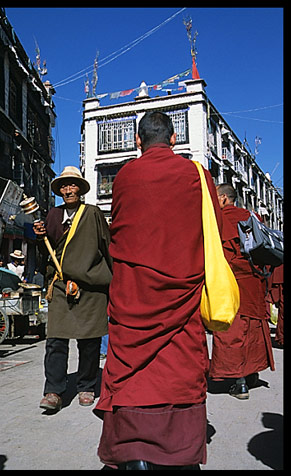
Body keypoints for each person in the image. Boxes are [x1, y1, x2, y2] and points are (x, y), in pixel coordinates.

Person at [94, 111, 222, 470]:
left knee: (133, 371)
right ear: (174, 139)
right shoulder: (196, 175)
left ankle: (134, 453)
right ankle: (179, 453)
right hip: (183, 289)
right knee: (179, 366)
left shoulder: (125, 176)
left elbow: (119, 228)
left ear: (137, 141)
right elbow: (212, 231)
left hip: (134, 292)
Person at [33, 166, 112, 411]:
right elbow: (46, 253)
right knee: (56, 339)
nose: (68, 190)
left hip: (90, 286)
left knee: (89, 341)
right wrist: (40, 237)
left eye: (72, 185)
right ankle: (54, 390)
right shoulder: (53, 216)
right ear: (60, 191)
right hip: (60, 284)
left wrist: (114, 281)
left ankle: (86, 384)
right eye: (64, 186)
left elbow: (106, 246)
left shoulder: (93, 213)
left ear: (80, 189)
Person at [209, 183, 275, 399]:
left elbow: (220, 254)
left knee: (233, 331)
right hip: (254, 280)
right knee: (254, 327)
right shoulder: (252, 216)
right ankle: (252, 374)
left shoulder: (222, 219)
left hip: (232, 282)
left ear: (224, 199)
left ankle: (239, 382)